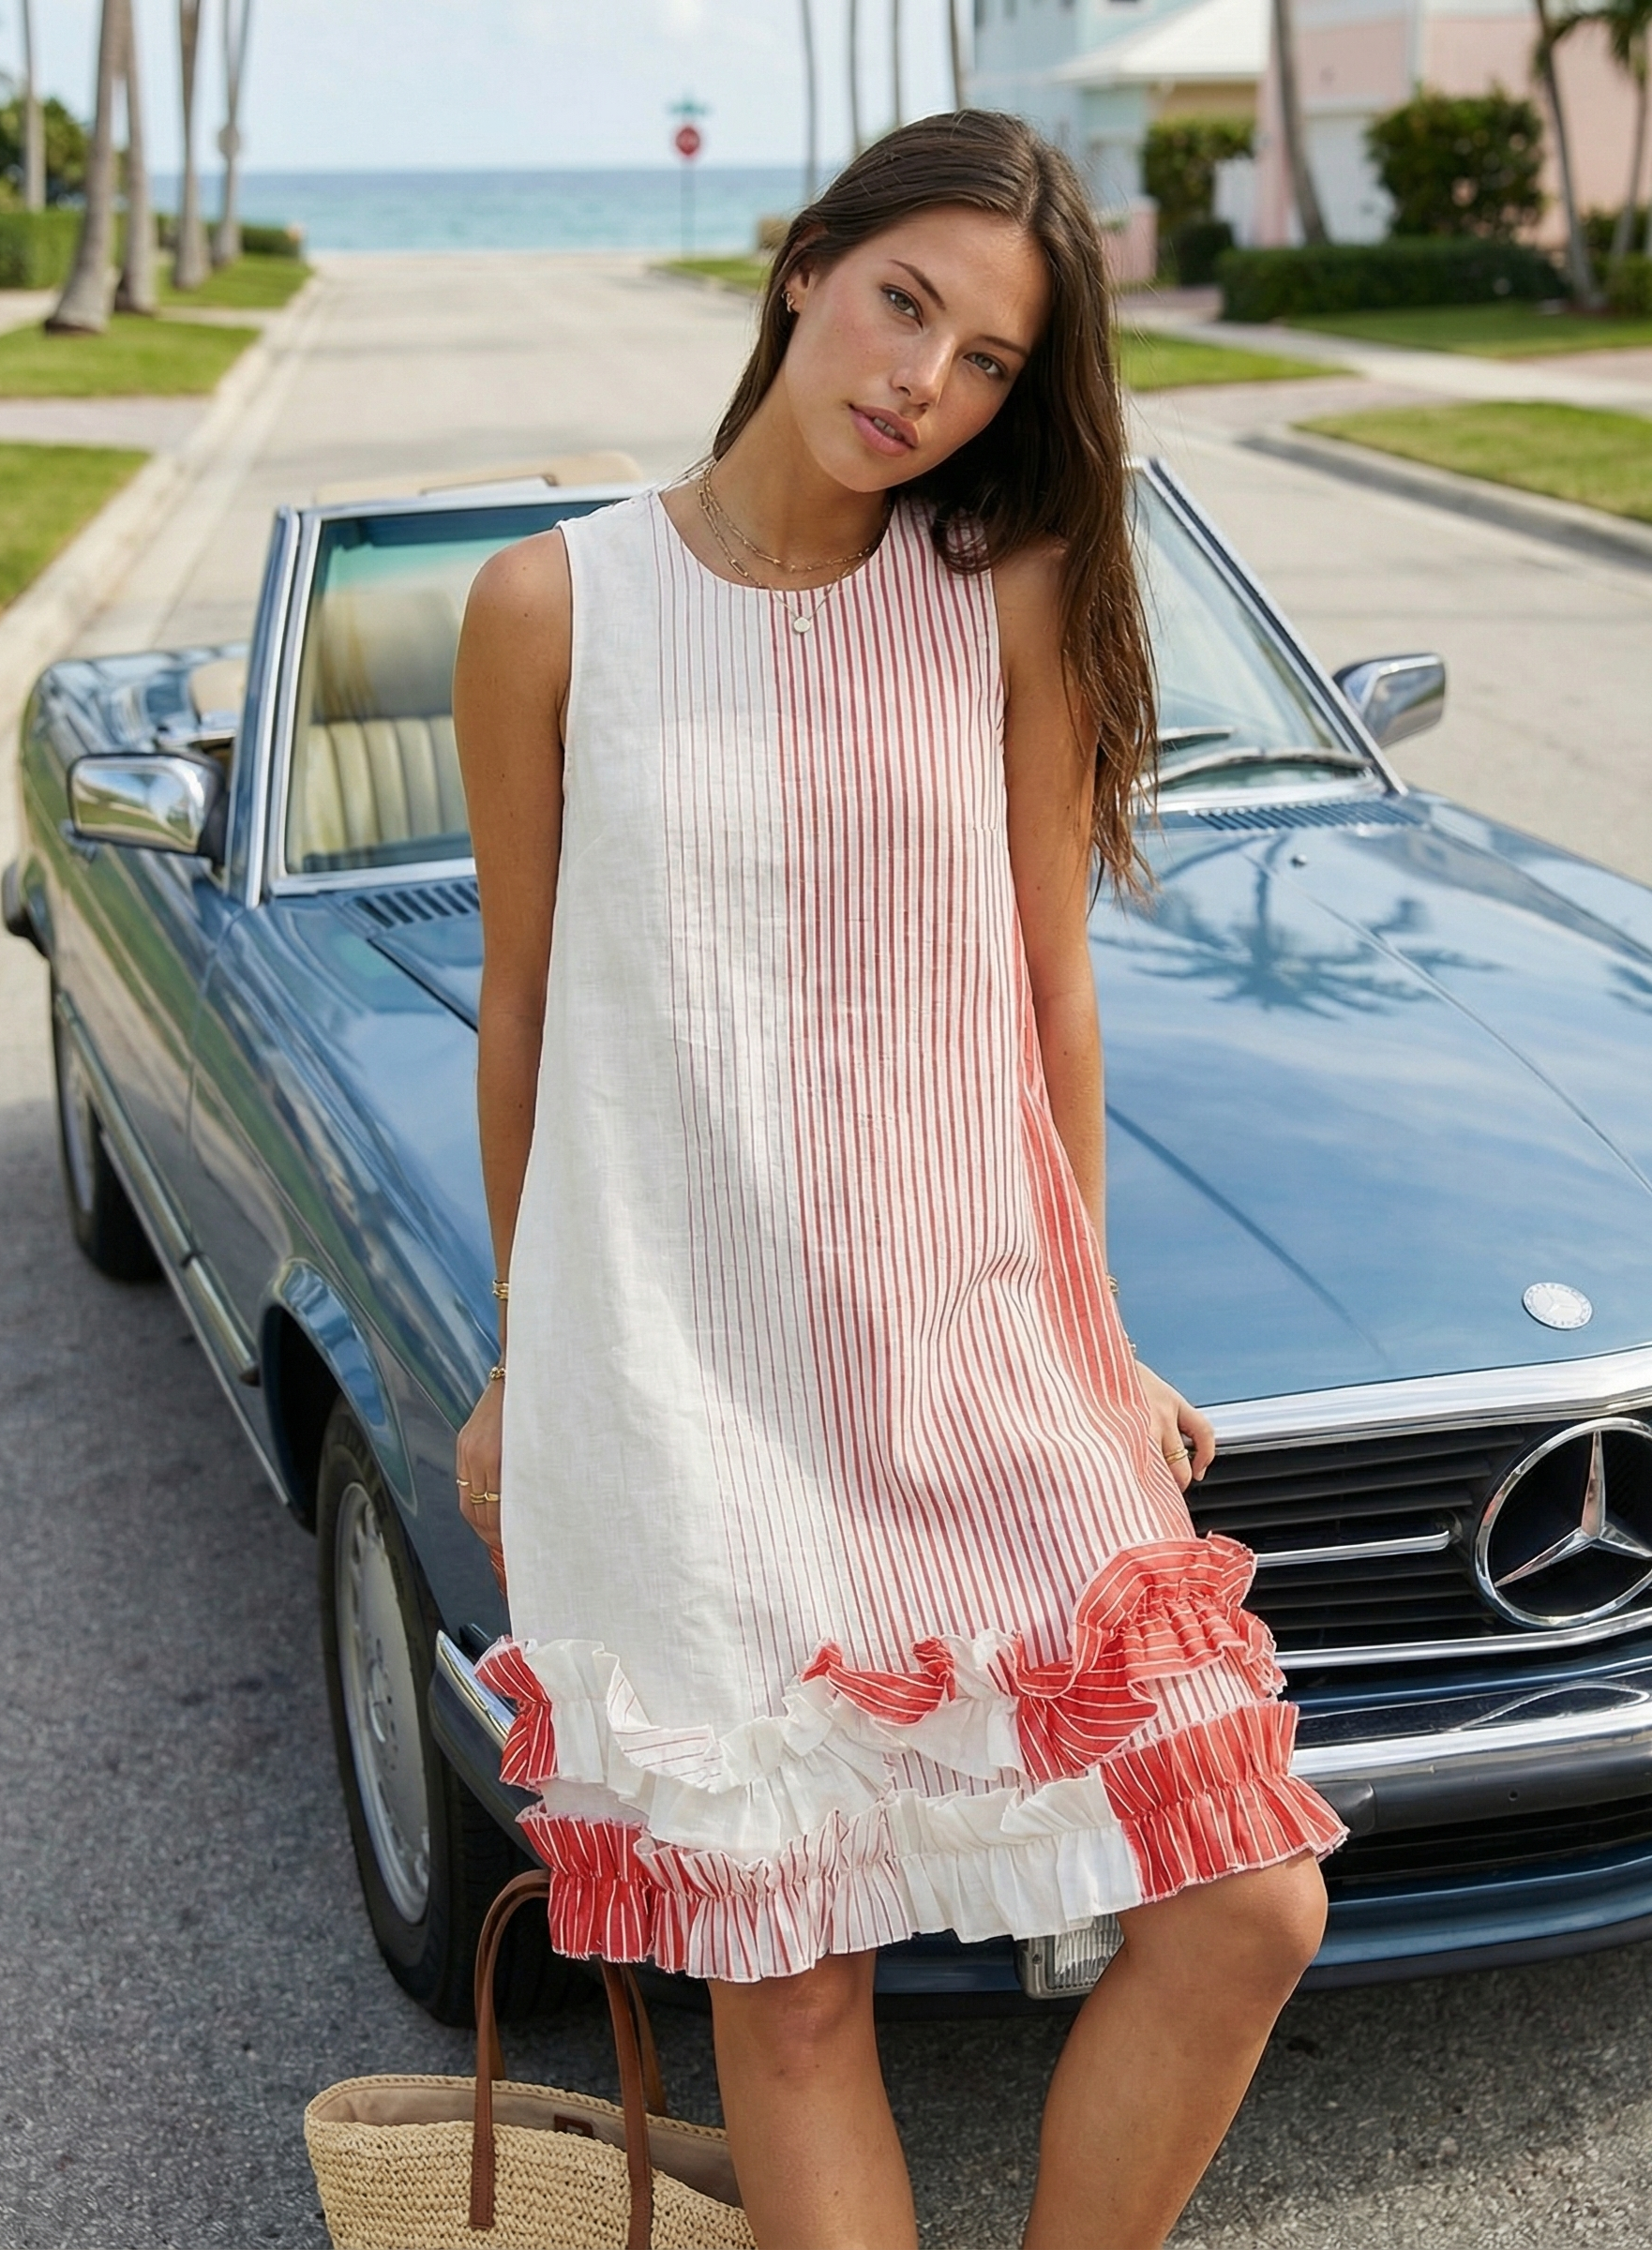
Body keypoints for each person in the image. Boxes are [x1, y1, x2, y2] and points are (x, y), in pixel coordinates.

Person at [451, 108, 1342, 2250]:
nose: (918, 385)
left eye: (984, 362)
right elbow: (523, 1020)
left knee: (1246, 1905)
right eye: (901, 304)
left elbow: (1051, 998)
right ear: (803, 267)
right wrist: (527, 1365)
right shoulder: (549, 605)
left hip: (967, 1360)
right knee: (799, 2005)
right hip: (683, 1390)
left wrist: (1097, 1345)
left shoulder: (1000, 595)